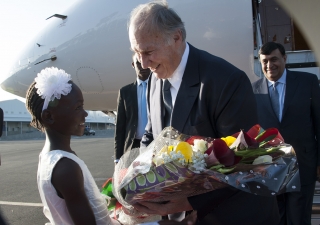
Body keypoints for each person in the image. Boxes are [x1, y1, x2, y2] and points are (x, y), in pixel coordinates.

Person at [128, 2, 279, 225]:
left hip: (231, 215)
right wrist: (138, 176)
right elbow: (152, 136)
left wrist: (188, 202)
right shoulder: (153, 80)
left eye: (148, 52)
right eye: (136, 52)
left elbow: (242, 163)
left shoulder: (226, 81)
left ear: (177, 38)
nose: (142, 62)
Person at [26, 67, 196, 225]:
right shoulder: (65, 167)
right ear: (49, 116)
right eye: (78, 107)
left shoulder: (50, 157)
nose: (85, 113)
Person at [252, 42, 320, 225]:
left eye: (274, 59)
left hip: (303, 164)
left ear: (284, 58)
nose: (269, 65)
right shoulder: (253, 90)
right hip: (270, 168)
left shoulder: (308, 82)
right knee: (276, 218)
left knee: (299, 218)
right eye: (264, 61)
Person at [114, 54, 150, 164]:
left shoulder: (160, 88)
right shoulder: (125, 92)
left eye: (146, 63)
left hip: (153, 145)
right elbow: (120, 127)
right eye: (138, 63)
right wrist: (117, 157)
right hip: (132, 147)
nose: (143, 66)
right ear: (133, 65)